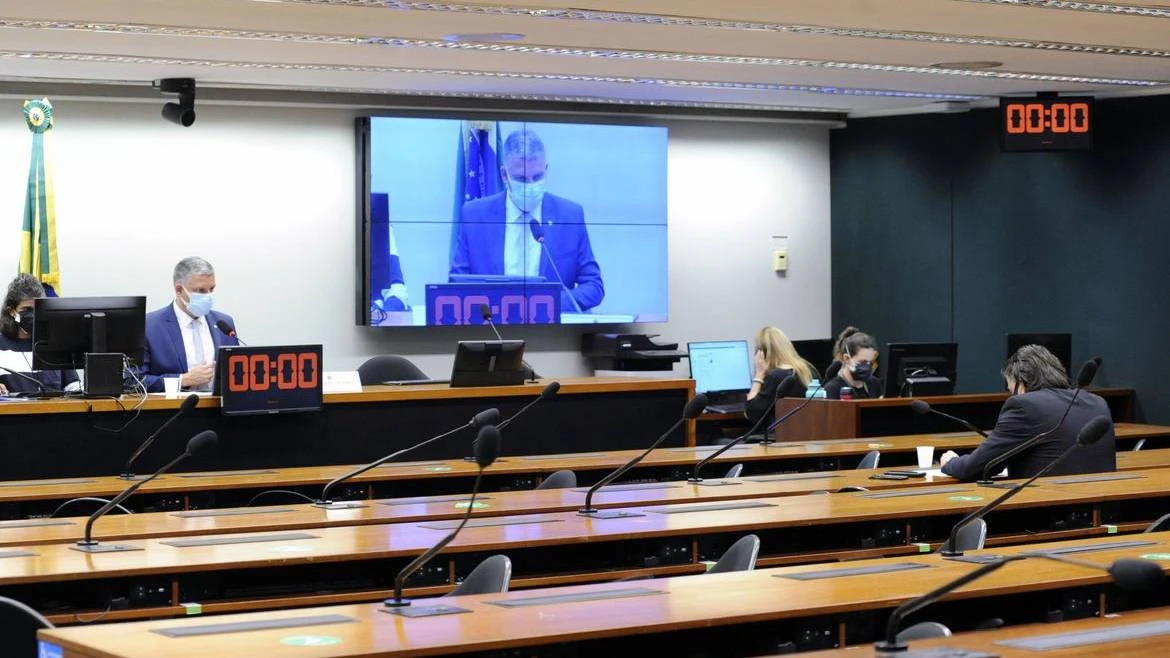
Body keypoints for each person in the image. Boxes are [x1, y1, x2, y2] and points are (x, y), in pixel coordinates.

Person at [450, 128, 605, 312]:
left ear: (546, 170)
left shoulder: (570, 216)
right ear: (504, 175)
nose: (531, 185)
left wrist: (550, 304)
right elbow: (456, 283)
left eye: (537, 177)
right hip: (493, 324)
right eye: (522, 179)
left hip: (552, 325)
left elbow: (594, 285)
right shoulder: (475, 215)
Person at [940, 345, 1116, 481]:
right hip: (1104, 507)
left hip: (1044, 511)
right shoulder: (1098, 402)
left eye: (1011, 390)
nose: (1012, 395)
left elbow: (977, 468)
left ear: (1021, 382)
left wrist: (951, 462)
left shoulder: (1025, 405)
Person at [140, 257, 240, 393]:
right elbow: (135, 381)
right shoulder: (149, 326)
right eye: (201, 291)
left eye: (211, 289)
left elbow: (237, 373)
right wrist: (183, 380)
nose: (208, 296)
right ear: (179, 290)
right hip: (174, 406)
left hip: (218, 405)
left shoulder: (224, 323)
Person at [0, 274, 79, 395]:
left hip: (54, 407)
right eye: (26, 310)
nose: (33, 315)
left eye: (37, 309)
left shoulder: (55, 345)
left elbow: (74, 389)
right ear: (12, 311)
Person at [744, 327, 814, 423]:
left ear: (762, 353)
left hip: (781, 431)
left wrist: (759, 375)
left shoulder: (775, 376)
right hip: (805, 429)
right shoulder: (807, 370)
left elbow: (751, 413)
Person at [825, 327, 882, 399]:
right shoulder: (832, 389)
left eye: (870, 362)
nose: (867, 366)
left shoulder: (875, 384)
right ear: (847, 358)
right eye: (862, 362)